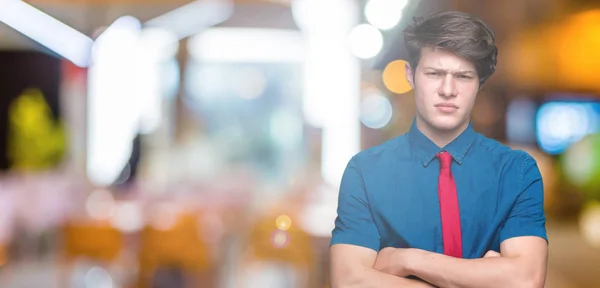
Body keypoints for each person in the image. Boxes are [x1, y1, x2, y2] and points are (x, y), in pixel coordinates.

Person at [330, 11, 548, 288]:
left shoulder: (516, 171)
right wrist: (485, 277)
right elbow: (349, 281)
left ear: (479, 84)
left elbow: (526, 280)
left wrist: (407, 260)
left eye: (463, 76)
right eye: (434, 73)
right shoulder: (364, 171)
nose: (448, 89)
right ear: (411, 75)